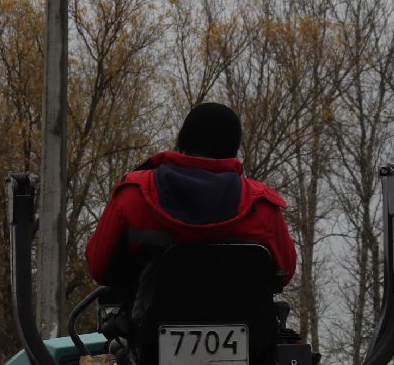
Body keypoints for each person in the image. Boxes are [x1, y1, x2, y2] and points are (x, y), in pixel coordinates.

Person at [84, 102, 297, 293]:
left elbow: (99, 267)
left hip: (147, 329)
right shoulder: (261, 205)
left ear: (183, 142)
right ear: (233, 148)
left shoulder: (134, 193)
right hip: (248, 331)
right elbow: (284, 273)